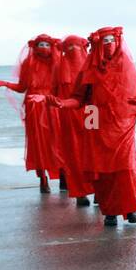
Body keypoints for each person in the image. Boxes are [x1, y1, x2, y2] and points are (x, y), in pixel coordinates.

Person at [52, 27, 136, 227]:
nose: (109, 45)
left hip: (123, 125)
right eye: (104, 41)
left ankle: (131, 208)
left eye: (112, 40)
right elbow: (80, 99)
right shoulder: (88, 70)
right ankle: (110, 211)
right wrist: (61, 104)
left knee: (126, 168)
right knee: (102, 168)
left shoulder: (129, 69)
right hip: (95, 117)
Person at [0, 34, 62, 194]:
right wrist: (5, 83)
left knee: (58, 142)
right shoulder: (28, 64)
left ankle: (64, 176)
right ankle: (42, 178)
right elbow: (22, 87)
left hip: (53, 106)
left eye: (47, 44)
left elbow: (65, 87)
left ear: (52, 47)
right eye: (40, 44)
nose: (43, 47)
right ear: (34, 47)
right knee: (38, 144)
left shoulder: (59, 63)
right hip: (35, 109)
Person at [55, 35, 95, 206]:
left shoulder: (92, 65)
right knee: (74, 153)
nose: (74, 50)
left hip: (91, 113)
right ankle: (80, 192)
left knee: (94, 151)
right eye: (70, 47)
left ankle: (100, 190)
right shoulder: (59, 68)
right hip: (69, 115)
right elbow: (53, 92)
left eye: (77, 46)